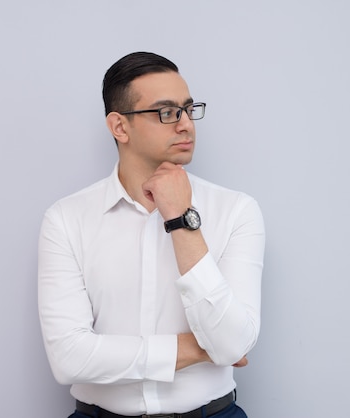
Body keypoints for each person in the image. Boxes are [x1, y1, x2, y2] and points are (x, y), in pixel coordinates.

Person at [38, 51, 265, 418]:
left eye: (189, 109)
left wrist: (179, 218)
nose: (186, 124)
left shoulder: (236, 211)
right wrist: (202, 348)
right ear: (119, 127)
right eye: (166, 112)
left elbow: (235, 343)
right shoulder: (66, 219)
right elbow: (68, 358)